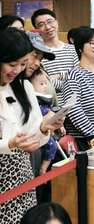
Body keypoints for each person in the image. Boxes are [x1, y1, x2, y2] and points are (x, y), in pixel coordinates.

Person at [0, 29, 64, 223]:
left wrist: (46, 127)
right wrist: (8, 144)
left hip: (21, 172)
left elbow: (34, 133)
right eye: (12, 64)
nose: (17, 70)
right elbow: (12, 141)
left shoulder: (24, 87)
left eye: (22, 64)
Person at [31, 8, 79, 86]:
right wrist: (70, 82)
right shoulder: (39, 54)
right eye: (41, 25)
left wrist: (59, 76)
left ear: (56, 22)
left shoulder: (73, 49)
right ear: (36, 30)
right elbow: (45, 83)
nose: (48, 27)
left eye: (50, 22)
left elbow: (79, 76)